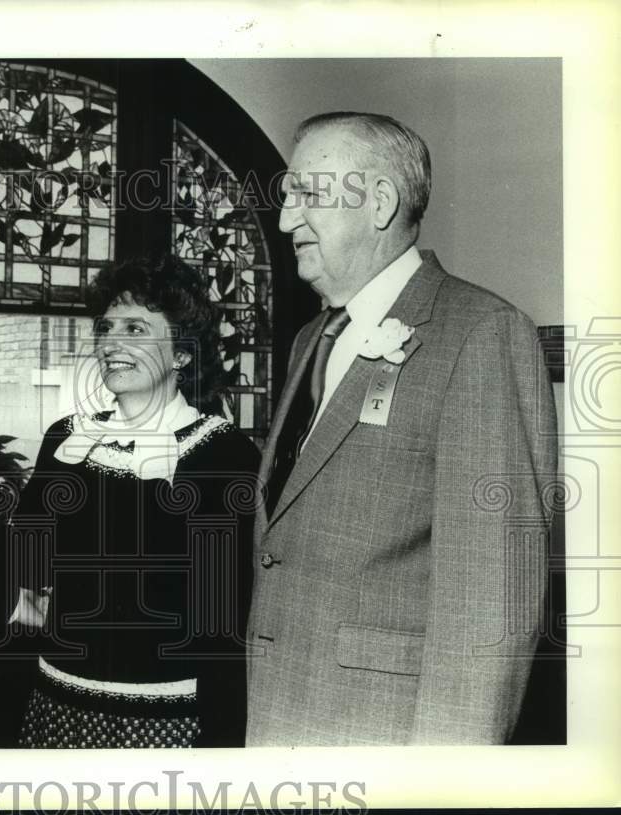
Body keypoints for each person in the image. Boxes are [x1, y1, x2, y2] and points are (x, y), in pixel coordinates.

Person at [248, 112, 557, 745]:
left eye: (307, 194)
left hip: (384, 736)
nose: (285, 221)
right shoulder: (310, 340)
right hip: (284, 715)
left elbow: (490, 599)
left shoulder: (481, 332)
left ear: (381, 201)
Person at [11, 255, 259, 748]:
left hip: (169, 719)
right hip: (59, 704)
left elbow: (230, 619)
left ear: (182, 353)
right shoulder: (66, 439)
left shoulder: (225, 454)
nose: (111, 344)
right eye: (106, 328)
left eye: (136, 329)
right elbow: (29, 569)